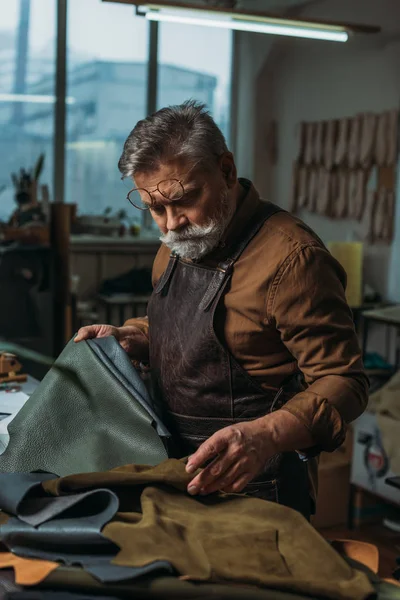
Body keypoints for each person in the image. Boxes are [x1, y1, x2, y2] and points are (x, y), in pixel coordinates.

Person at [75, 100, 368, 519]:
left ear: (226, 171)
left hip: (254, 487)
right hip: (173, 468)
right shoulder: (179, 244)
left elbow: (345, 380)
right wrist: (131, 337)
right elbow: (178, 331)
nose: (172, 223)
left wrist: (264, 435)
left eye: (185, 199)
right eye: (156, 208)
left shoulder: (294, 260)